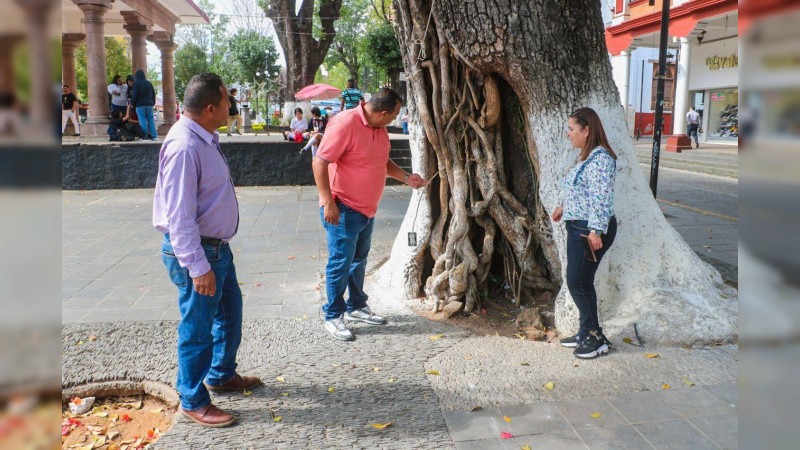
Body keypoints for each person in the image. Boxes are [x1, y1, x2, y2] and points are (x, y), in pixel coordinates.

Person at [153, 73, 261, 427]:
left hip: (216, 249)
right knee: (198, 328)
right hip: (198, 252)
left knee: (230, 313)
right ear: (211, 107)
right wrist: (198, 267)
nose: (232, 106)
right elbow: (179, 217)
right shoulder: (185, 146)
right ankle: (192, 398)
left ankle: (221, 373)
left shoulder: (204, 137)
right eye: (228, 102)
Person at [313, 88, 427, 341]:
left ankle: (355, 306)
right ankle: (333, 315)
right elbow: (319, 162)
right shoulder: (345, 124)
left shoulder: (379, 127)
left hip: (367, 208)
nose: (394, 120)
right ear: (383, 112)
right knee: (340, 262)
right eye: (394, 116)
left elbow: (382, 161)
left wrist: (408, 178)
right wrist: (327, 202)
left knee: (359, 260)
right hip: (343, 207)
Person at [551, 107, 618, 359]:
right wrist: (564, 207)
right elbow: (584, 193)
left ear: (586, 130)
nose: (568, 134)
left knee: (578, 282)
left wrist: (596, 231)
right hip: (579, 225)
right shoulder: (585, 156)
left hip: (589, 230)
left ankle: (594, 337)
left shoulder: (601, 158)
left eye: (571, 129)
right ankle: (586, 332)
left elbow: (601, 197)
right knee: (579, 281)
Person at [131, 69, 157, 140]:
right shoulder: (149, 83)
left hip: (140, 105)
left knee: (142, 120)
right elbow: (153, 94)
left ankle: (144, 135)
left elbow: (134, 95)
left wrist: (132, 104)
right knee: (151, 120)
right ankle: (154, 135)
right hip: (149, 104)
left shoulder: (137, 84)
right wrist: (153, 103)